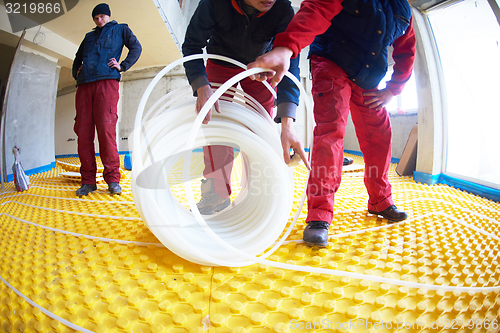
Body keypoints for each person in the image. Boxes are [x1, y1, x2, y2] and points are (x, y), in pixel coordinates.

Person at [249, 0, 416, 246]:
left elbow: (406, 50)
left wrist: (394, 89)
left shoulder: (403, 9)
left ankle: (380, 200)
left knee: (380, 134)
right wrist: (286, 47)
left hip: (368, 77)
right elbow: (316, 9)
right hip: (332, 63)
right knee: (331, 132)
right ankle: (319, 214)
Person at [182, 0, 309, 215]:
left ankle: (256, 193)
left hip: (263, 66)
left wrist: (288, 123)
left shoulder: (281, 9)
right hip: (220, 61)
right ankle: (217, 193)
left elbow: (289, 65)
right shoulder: (214, 3)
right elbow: (192, 45)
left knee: (259, 131)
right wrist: (201, 86)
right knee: (217, 126)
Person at [72, 3, 142, 196]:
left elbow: (136, 47)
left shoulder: (121, 29)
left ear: (108, 16)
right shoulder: (88, 37)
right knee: (83, 134)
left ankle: (112, 179)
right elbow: (78, 59)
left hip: (107, 83)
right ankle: (88, 182)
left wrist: (123, 65)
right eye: (96, 18)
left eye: (102, 16)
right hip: (85, 85)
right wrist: (75, 72)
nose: (99, 20)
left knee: (106, 131)